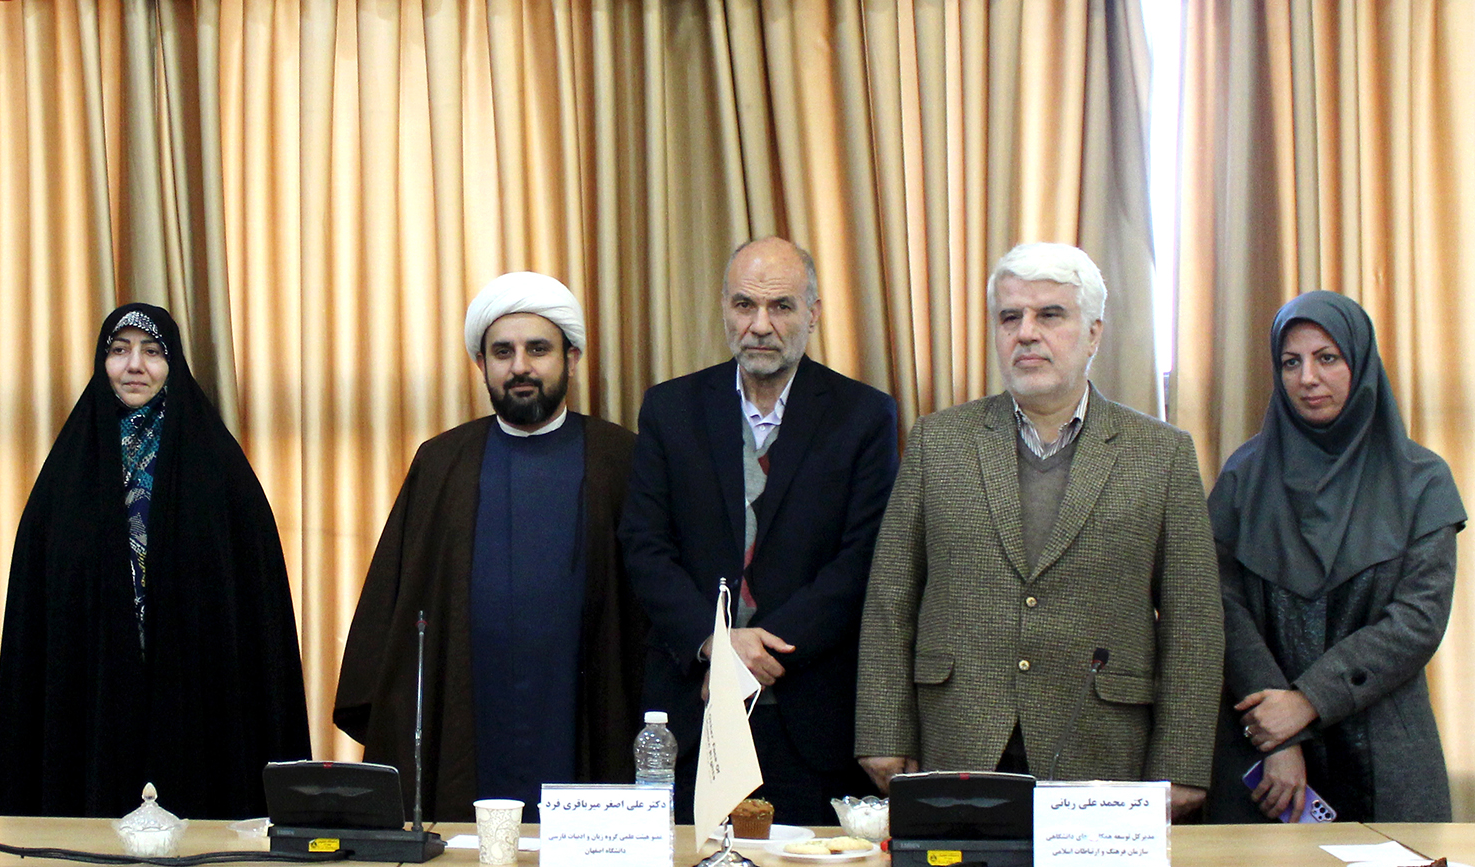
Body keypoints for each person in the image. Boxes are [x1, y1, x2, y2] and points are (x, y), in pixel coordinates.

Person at [856, 242, 1223, 820]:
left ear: (1094, 333)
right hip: (960, 733)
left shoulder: (1161, 454)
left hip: (1101, 743)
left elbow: (1193, 621)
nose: (1026, 333)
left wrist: (1182, 763)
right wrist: (882, 730)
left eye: (1050, 315)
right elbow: (890, 597)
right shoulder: (938, 442)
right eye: (1010, 317)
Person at [334, 272, 643, 823]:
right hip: (466, 707)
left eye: (538, 349)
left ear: (571, 359)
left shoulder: (621, 459)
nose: (520, 366)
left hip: (585, 701)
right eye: (502, 352)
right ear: (481, 364)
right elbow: (396, 604)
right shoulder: (442, 462)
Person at [0, 303, 311, 819]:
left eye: (153, 352)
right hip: (93, 688)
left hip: (196, 690)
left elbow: (255, 599)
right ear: (102, 362)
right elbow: (41, 601)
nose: (135, 365)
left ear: (173, 363)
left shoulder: (218, 466)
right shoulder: (67, 472)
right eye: (119, 351)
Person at [619, 236, 899, 825]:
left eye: (781, 307)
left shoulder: (863, 415)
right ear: (724, 307)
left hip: (811, 714)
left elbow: (864, 559)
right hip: (694, 712)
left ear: (814, 313)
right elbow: (644, 546)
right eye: (745, 305)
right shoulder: (669, 410)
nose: (760, 325)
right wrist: (716, 644)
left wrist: (759, 650)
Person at [1206, 291, 1464, 824]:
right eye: (1290, 362)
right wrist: (1280, 736)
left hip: (1386, 754)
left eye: (1327, 358)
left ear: (1360, 362)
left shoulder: (1421, 480)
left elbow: (1417, 622)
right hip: (1263, 755)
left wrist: (1306, 702)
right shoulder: (1243, 477)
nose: (1308, 378)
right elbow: (1220, 606)